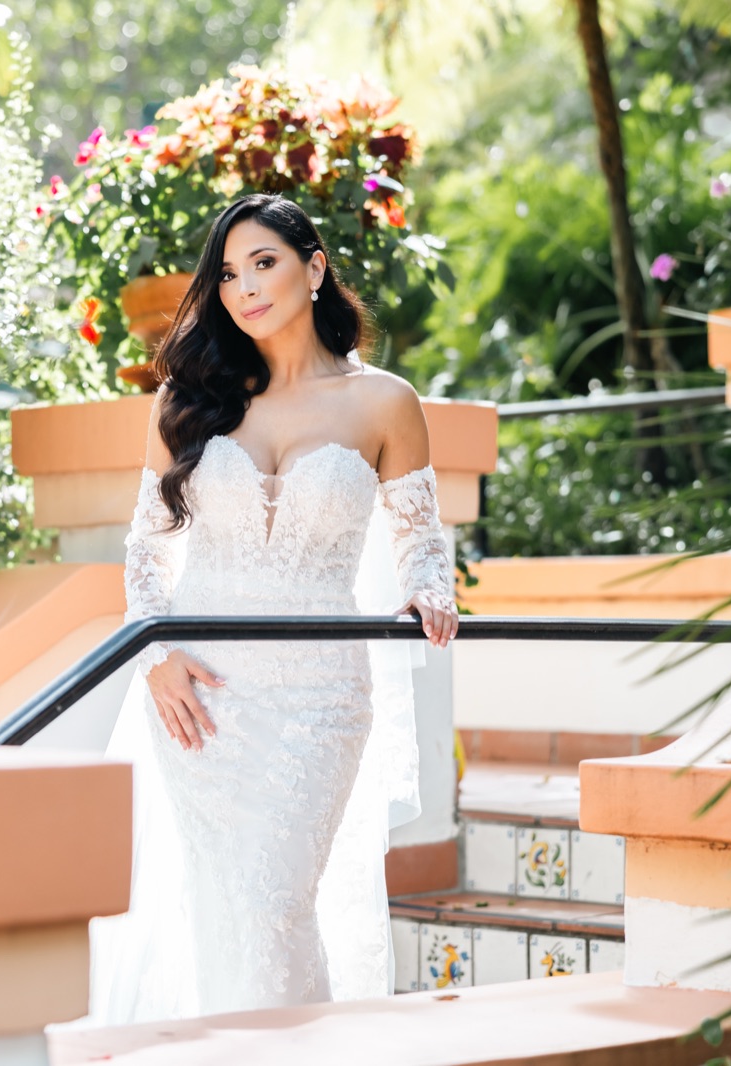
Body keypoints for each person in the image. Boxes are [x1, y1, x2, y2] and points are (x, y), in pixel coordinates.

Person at [87, 193, 458, 1024]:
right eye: (227, 274)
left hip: (320, 698)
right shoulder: (187, 399)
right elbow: (146, 551)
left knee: (275, 902)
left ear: (314, 268)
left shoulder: (386, 402)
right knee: (228, 909)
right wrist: (156, 658)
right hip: (200, 696)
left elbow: (421, 541)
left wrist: (430, 589)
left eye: (264, 263)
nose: (245, 288)